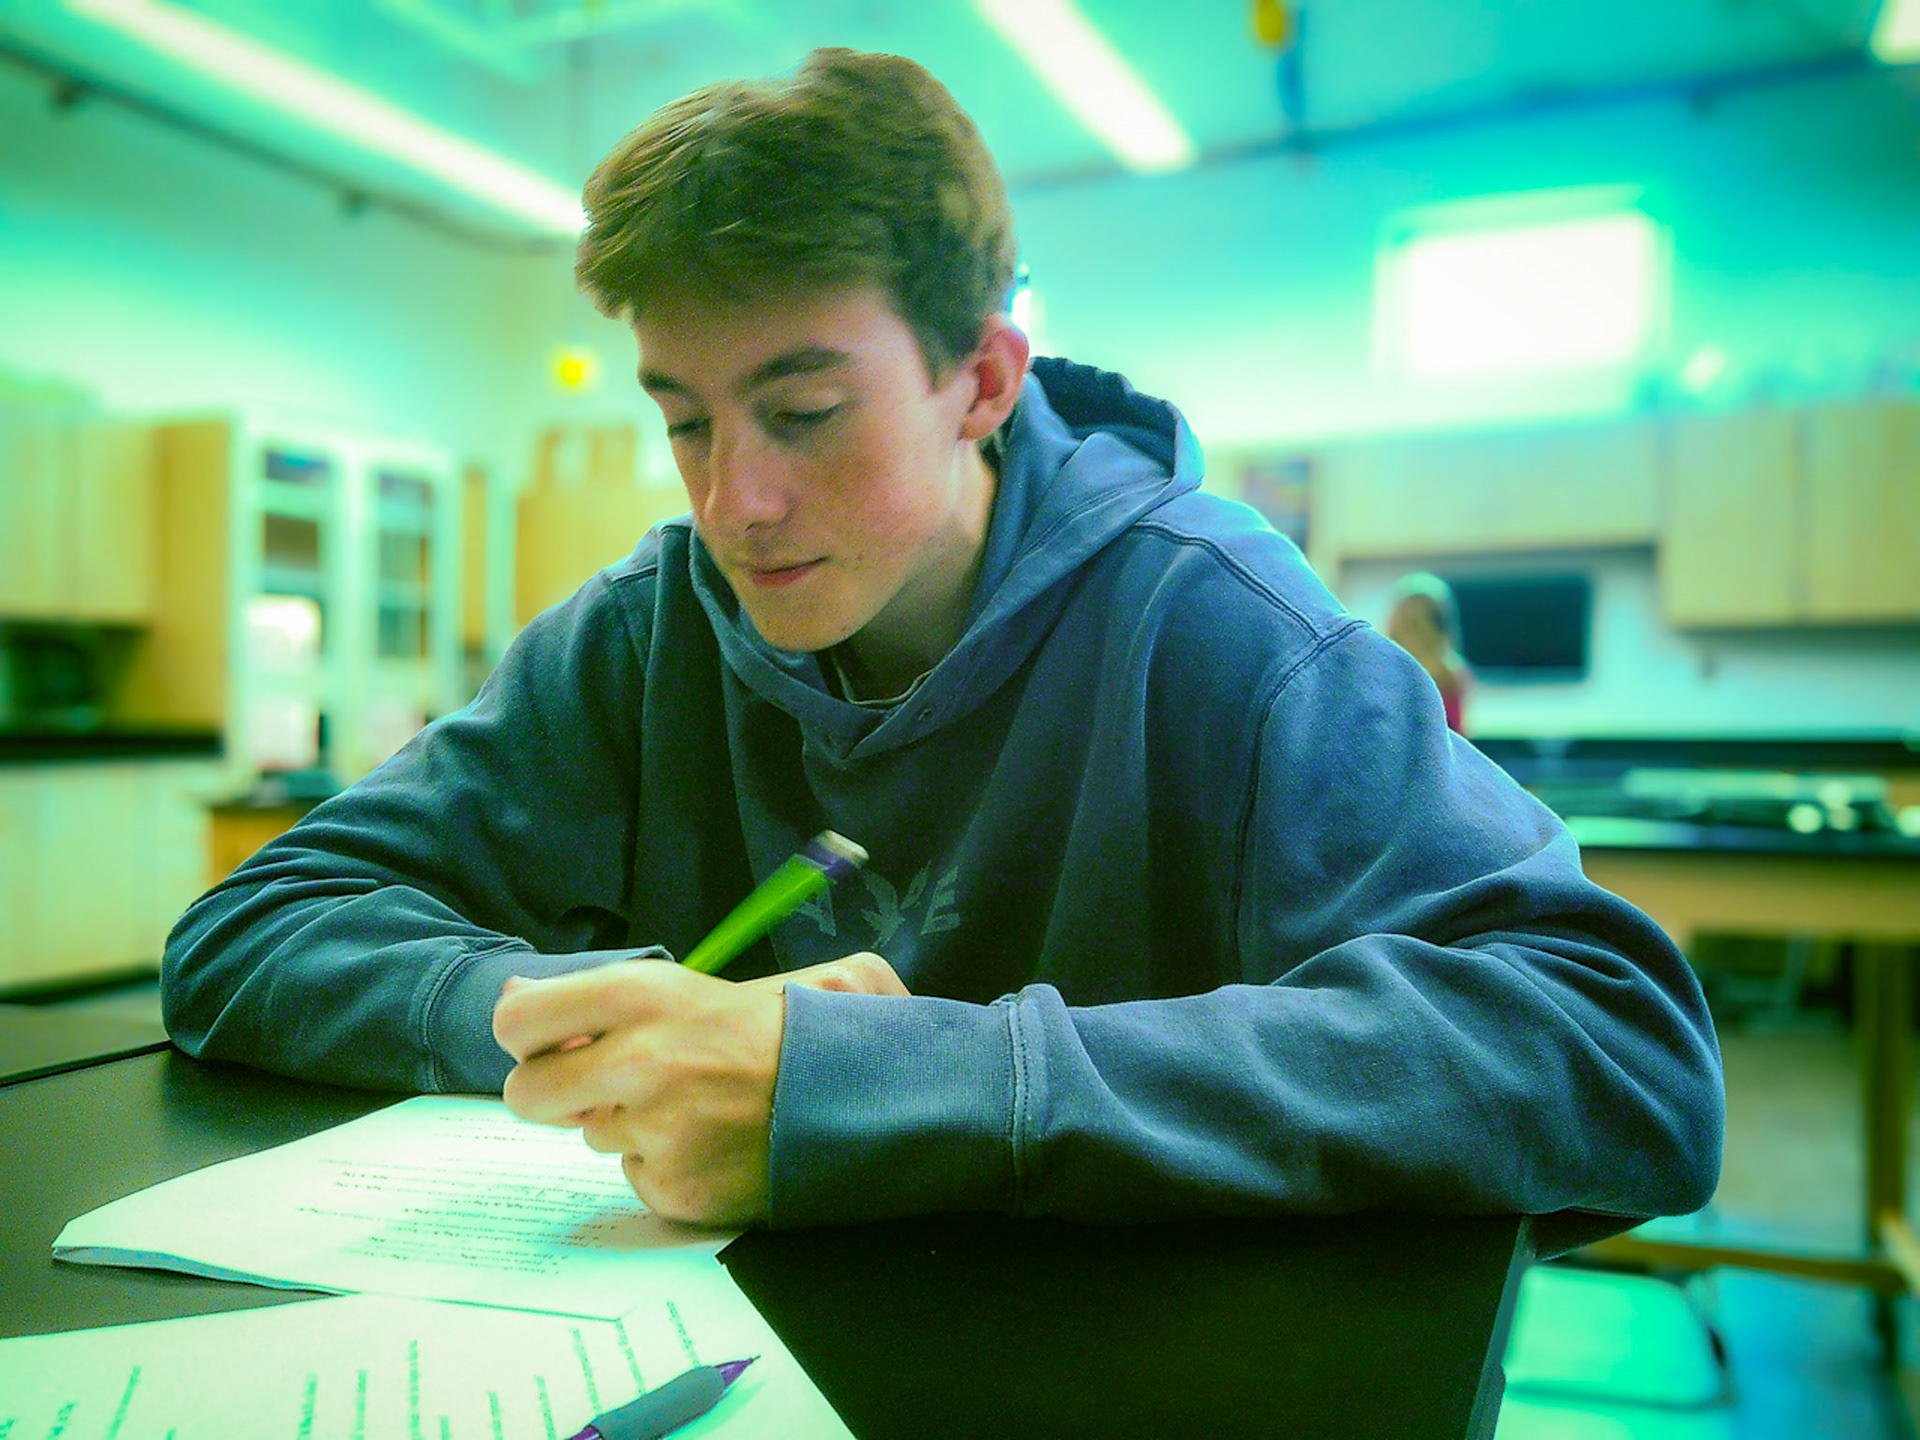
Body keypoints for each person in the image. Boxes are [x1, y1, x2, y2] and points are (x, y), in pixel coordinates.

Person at [162, 49, 1722, 1253]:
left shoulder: (1217, 623)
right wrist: (567, 1013)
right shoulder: (647, 633)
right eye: (685, 420)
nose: (734, 501)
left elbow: (1617, 1054)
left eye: (804, 412)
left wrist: (892, 1084)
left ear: (982, 379)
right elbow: (250, 930)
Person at [1385, 572, 1471, 734]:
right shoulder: (1382, 668)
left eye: (1418, 622)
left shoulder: (1451, 675)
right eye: (1408, 621)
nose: (1413, 632)